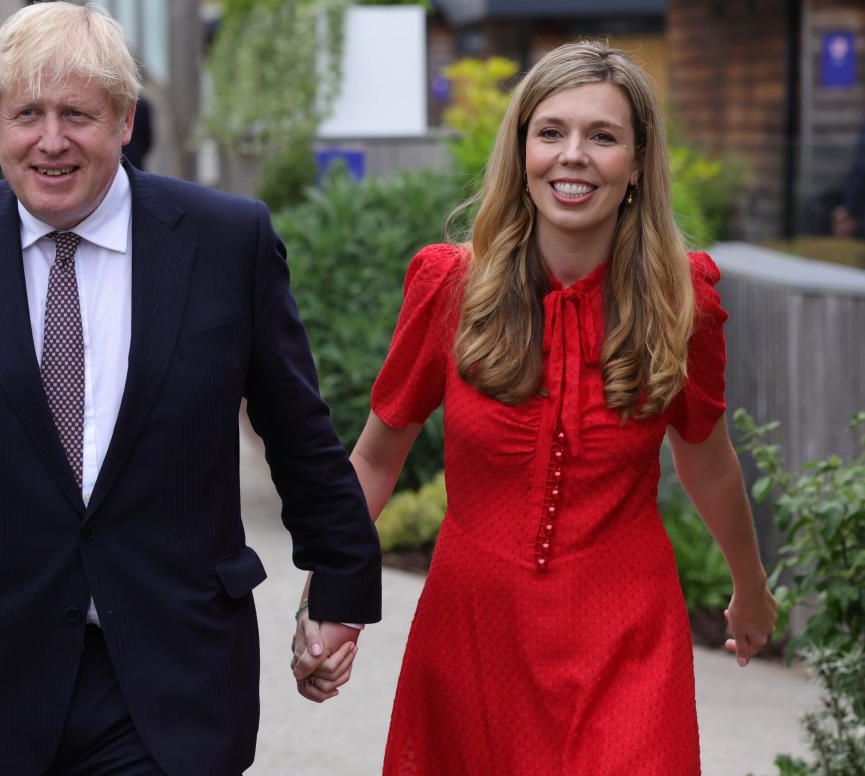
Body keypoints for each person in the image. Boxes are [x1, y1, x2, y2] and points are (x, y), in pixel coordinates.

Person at [0, 3, 382, 774]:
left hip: (173, 677)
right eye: (26, 114)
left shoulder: (227, 242)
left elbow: (298, 433)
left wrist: (339, 588)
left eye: (77, 114)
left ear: (125, 121)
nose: (50, 140)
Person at [288, 41, 778, 773]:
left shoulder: (685, 301)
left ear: (638, 162)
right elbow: (375, 458)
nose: (572, 155)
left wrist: (750, 588)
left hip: (626, 637)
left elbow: (706, 462)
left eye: (602, 136)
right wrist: (327, 598)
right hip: (472, 635)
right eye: (550, 132)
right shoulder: (449, 288)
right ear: (521, 151)